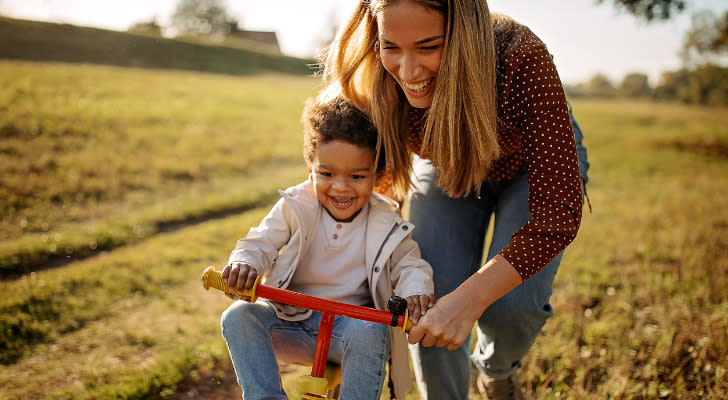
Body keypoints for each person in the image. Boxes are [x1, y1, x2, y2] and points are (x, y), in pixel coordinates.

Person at [319, 0, 590, 399]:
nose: (408, 73)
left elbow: (557, 216)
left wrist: (469, 300)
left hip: (528, 167)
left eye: (429, 47)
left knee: (510, 307)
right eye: (392, 46)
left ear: (465, 34)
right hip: (446, 166)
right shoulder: (372, 74)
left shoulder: (520, 56)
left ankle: (497, 371)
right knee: (425, 299)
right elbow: (362, 185)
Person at [219, 96, 435, 400]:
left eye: (357, 176)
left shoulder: (386, 221)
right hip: (289, 319)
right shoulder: (296, 206)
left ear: (378, 175)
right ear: (311, 167)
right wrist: (246, 264)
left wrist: (416, 290)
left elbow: (410, 265)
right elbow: (260, 241)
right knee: (238, 316)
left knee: (372, 330)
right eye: (327, 174)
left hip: (349, 332)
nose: (341, 188)